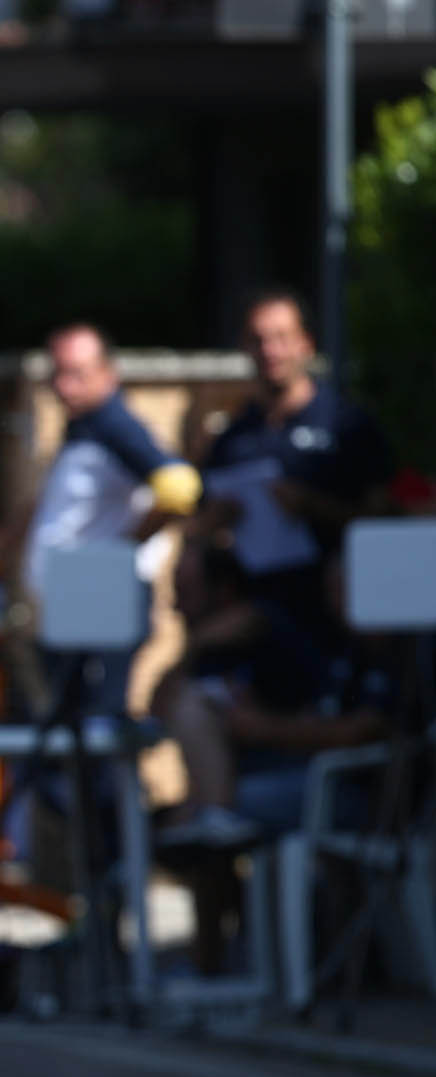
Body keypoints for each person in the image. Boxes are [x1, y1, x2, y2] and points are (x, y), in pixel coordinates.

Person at [154, 291, 396, 846]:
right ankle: (209, 850)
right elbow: (198, 528)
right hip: (256, 616)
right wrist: (209, 526)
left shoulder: (347, 424)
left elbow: (385, 517)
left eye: (282, 337)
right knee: (195, 715)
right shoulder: (235, 436)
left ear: (306, 343)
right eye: (259, 339)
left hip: (329, 624)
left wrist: (314, 508)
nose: (271, 350)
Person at [16, 323, 201, 720]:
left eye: (77, 374)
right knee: (72, 723)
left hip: (98, 592)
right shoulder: (83, 427)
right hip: (79, 596)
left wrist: (121, 549)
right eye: (57, 374)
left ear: (107, 374)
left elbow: (180, 488)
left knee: (97, 725)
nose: (63, 386)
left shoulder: (113, 424)